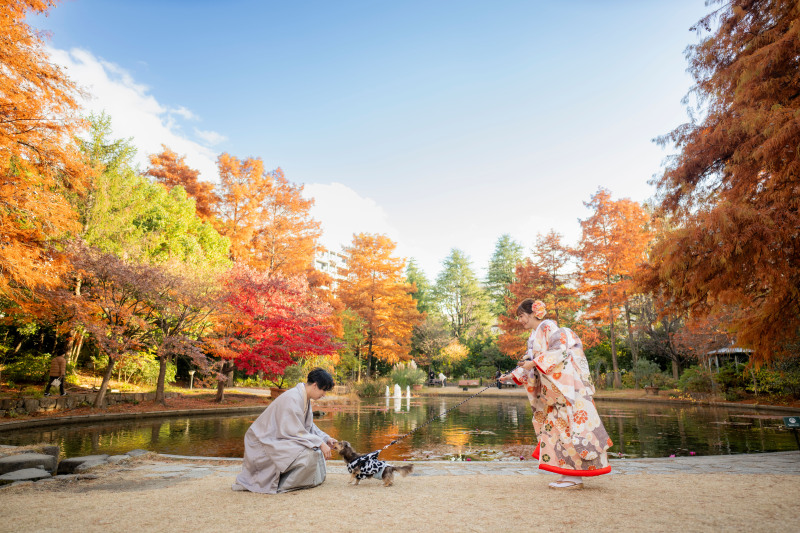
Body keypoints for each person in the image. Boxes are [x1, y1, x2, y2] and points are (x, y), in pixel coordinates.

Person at [500, 299, 612, 489]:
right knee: (555, 432)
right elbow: (532, 362)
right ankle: (565, 473)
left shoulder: (549, 327)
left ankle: (575, 477)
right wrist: (512, 375)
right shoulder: (535, 335)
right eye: (518, 317)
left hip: (566, 390)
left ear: (534, 313)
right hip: (554, 393)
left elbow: (559, 352)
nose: (520, 320)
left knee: (571, 432)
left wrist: (534, 363)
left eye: (521, 316)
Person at [233, 368, 338, 494]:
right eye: (324, 390)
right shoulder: (293, 398)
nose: (324, 394)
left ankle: (300, 481)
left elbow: (308, 426)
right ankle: (281, 485)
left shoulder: (304, 398)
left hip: (280, 437)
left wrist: (325, 439)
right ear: (315, 385)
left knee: (316, 450)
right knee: (309, 454)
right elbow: (294, 430)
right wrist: (320, 443)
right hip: (265, 441)